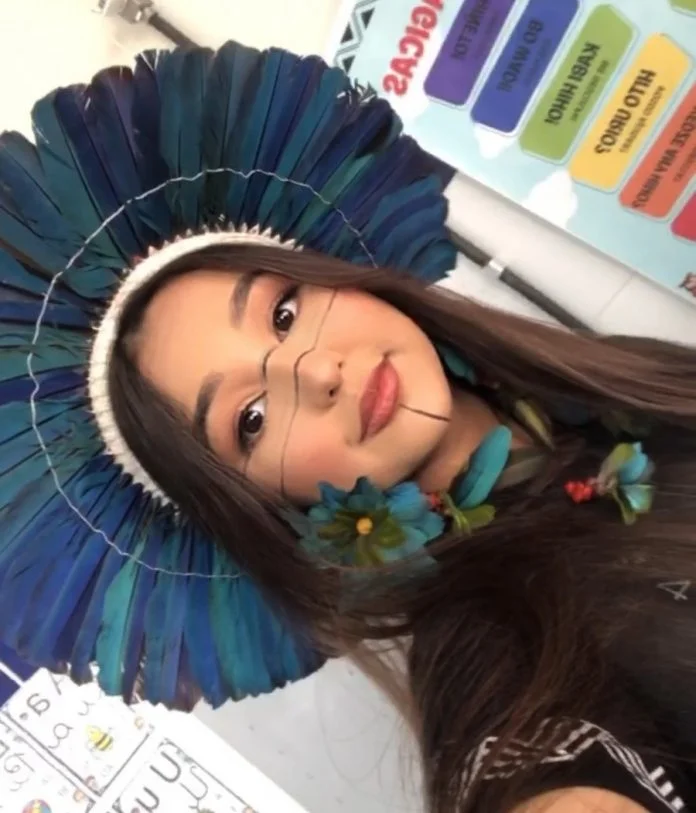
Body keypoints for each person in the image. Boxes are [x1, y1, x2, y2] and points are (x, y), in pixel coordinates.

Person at [1, 40, 695, 813]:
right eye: (252, 418)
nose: (316, 372)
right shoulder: (492, 652)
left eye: (283, 312)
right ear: (263, 505)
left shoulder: (614, 383)